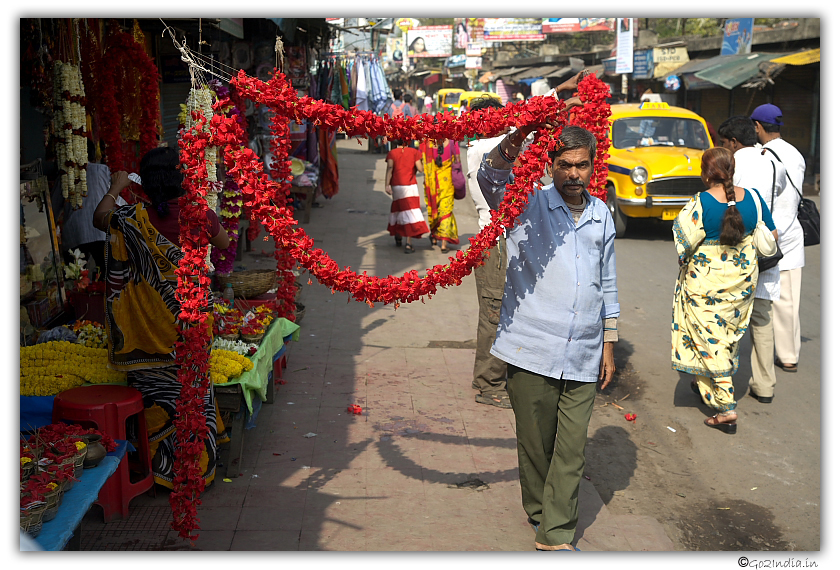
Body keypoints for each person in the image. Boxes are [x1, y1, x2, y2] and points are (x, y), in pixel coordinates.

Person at [477, 112, 617, 551]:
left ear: (593, 166)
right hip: (530, 346)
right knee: (535, 444)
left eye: (582, 165)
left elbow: (608, 280)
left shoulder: (602, 214)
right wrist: (516, 139)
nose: (574, 174)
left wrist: (609, 344)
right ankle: (540, 511)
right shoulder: (527, 203)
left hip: (584, 351)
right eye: (565, 165)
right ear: (550, 165)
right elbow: (490, 177)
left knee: (572, 449)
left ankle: (555, 533)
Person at [92, 146, 230, 490]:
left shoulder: (134, 217)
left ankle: (160, 467)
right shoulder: (199, 215)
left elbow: (99, 218)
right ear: (181, 179)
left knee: (157, 396)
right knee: (194, 389)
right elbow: (224, 242)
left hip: (149, 330)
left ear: (146, 184)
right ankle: (197, 466)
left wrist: (116, 187)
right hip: (192, 322)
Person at [671, 147, 777, 434]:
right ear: (732, 169)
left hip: (705, 284)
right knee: (726, 336)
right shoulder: (754, 197)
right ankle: (702, 383)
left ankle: (726, 406)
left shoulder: (700, 202)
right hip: (742, 283)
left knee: (709, 337)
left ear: (706, 174)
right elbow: (772, 235)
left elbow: (683, 241)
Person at [718, 116, 787, 403]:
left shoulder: (734, 165)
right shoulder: (773, 161)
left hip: (738, 250)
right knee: (762, 320)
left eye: (724, 143)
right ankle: (764, 385)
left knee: (729, 320)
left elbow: (728, 200)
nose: (724, 148)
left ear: (734, 142)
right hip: (766, 246)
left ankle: (723, 382)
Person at [750, 103, 806, 373]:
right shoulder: (795, 153)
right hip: (792, 233)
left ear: (757, 127)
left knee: (759, 298)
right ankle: (788, 356)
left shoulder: (761, 155)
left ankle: (757, 352)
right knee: (788, 299)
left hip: (769, 234)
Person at [465, 95, 510, 409]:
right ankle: (489, 384)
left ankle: (494, 377)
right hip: (495, 241)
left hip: (500, 240)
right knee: (494, 315)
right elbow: (519, 136)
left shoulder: (481, 145)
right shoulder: (484, 149)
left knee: (502, 311)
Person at [384, 139, 429, 253]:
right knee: (410, 212)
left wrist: (386, 185)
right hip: (410, 186)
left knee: (399, 209)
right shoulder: (414, 152)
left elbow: (390, 169)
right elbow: (420, 169)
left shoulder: (392, 153)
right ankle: (408, 243)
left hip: (397, 186)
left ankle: (398, 235)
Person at [421, 135, 461, 253]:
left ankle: (434, 236)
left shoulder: (426, 143)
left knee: (434, 209)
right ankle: (443, 243)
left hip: (432, 184)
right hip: (447, 184)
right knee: (446, 211)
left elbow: (421, 161)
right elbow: (457, 162)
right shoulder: (453, 143)